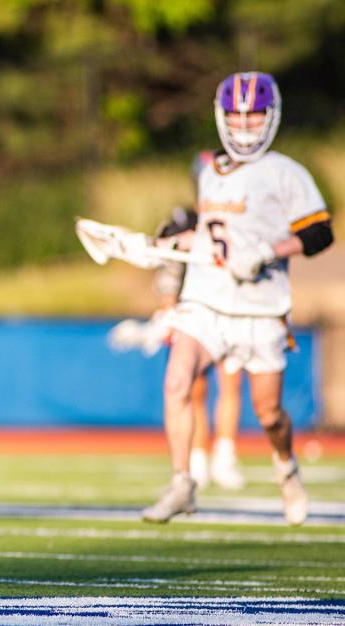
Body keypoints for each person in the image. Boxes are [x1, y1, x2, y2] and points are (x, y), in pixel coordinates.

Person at [141, 72, 334, 525]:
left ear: (271, 117)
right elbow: (214, 237)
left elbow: (320, 233)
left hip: (260, 309)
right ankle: (182, 482)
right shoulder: (210, 172)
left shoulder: (287, 173)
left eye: (253, 117)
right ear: (221, 117)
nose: (245, 126)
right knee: (177, 379)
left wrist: (270, 249)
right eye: (236, 117)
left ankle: (286, 467)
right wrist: (173, 242)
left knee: (269, 414)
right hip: (208, 301)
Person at [108, 152, 246, 491]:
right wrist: (169, 304)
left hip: (232, 307)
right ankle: (197, 457)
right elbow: (169, 268)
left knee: (231, 383)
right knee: (193, 388)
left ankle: (225, 454)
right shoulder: (184, 218)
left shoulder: (241, 216)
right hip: (195, 312)